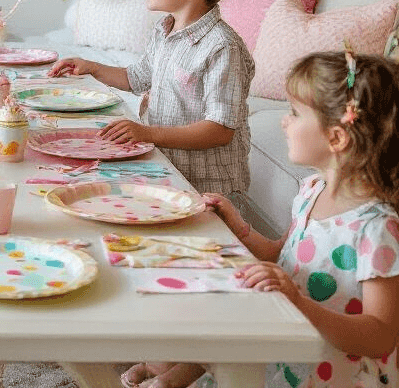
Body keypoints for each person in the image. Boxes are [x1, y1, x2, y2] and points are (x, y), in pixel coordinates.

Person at [123, 48, 399, 388]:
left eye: (295, 113)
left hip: (331, 372)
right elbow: (282, 256)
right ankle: (175, 373)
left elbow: (380, 336)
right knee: (226, 301)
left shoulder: (377, 228)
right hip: (286, 343)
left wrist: (297, 303)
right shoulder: (312, 189)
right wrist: (239, 226)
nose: (285, 120)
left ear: (337, 138)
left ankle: (175, 375)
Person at [48, 0, 254, 197]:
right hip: (167, 171)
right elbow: (136, 78)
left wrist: (148, 133)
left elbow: (219, 130)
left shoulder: (222, 47)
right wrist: (92, 67)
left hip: (208, 188)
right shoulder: (164, 30)